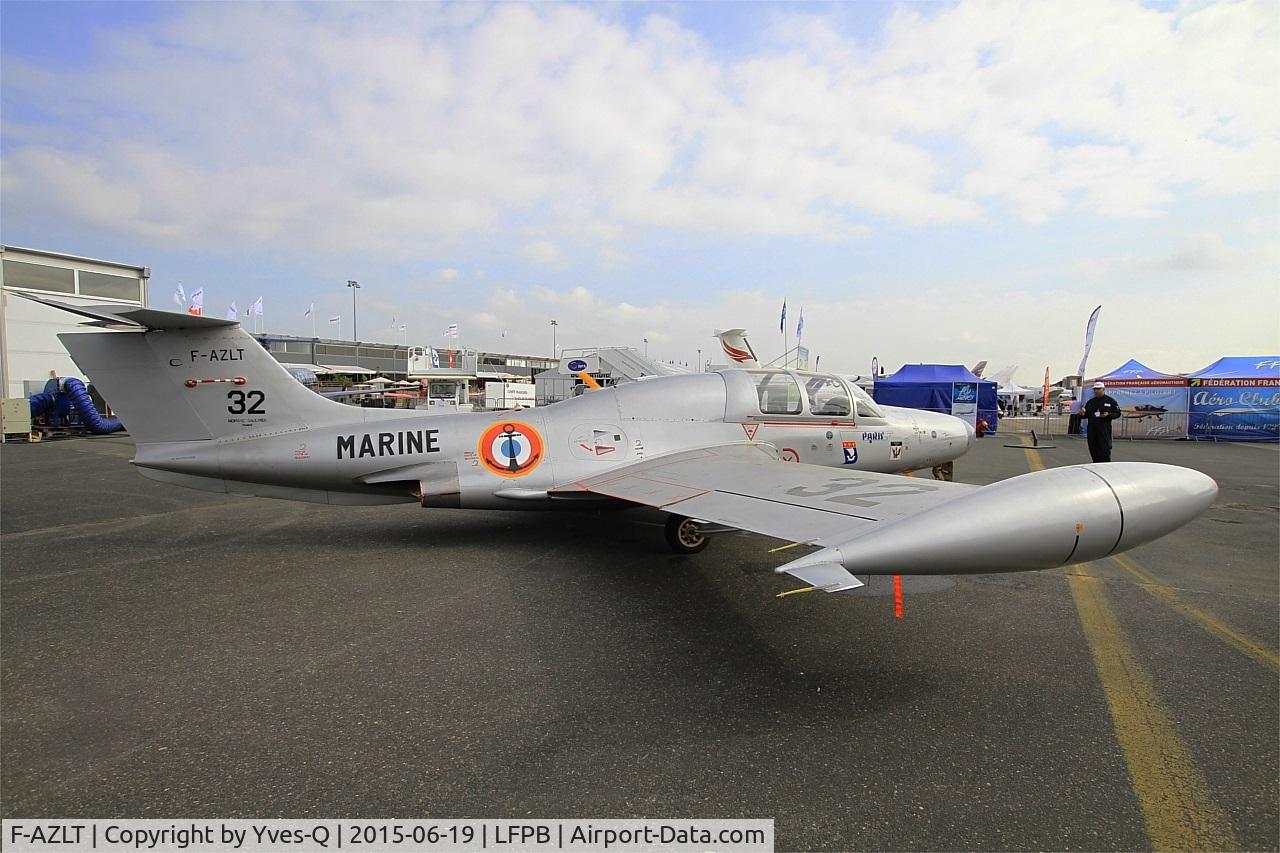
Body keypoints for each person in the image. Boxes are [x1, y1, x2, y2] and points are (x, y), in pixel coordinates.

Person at [1082, 382, 1121, 462]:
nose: (1096, 391)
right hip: (1092, 430)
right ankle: (1095, 465)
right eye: (1095, 389)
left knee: (1104, 450)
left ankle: (1105, 467)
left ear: (1103, 389)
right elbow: (1086, 415)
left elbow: (1117, 413)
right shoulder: (1091, 402)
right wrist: (1082, 413)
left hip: (1104, 430)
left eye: (1098, 389)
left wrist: (1109, 415)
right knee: (1093, 449)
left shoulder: (1110, 401)